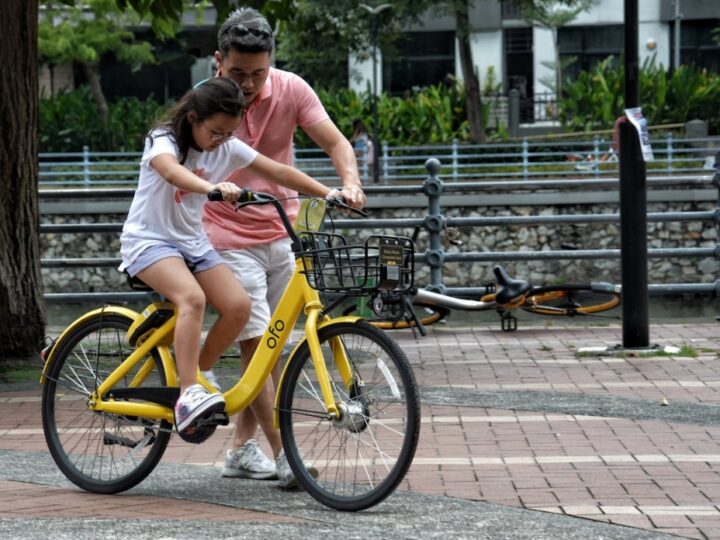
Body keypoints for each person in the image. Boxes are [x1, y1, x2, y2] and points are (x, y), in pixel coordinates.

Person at [200, 7, 366, 489]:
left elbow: (336, 142)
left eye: (258, 73)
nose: (249, 84)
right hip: (224, 235)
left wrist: (349, 183)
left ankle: (239, 450)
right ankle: (284, 452)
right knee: (257, 343)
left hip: (283, 231)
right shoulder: (206, 100)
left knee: (270, 351)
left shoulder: (292, 89)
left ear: (271, 63)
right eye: (237, 73)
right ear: (218, 62)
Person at [119, 77, 333, 437]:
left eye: (228, 133)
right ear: (193, 119)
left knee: (239, 307)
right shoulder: (163, 140)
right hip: (149, 241)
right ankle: (188, 394)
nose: (221, 140)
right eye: (216, 132)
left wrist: (331, 192)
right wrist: (212, 188)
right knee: (193, 298)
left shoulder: (228, 147)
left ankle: (196, 372)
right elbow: (172, 172)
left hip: (192, 243)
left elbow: (279, 171)